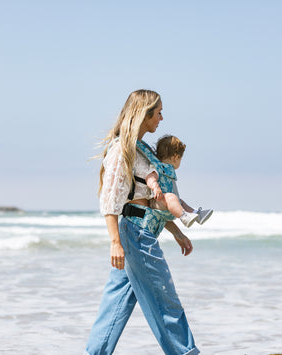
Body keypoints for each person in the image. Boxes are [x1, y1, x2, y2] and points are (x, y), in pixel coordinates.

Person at [85, 90, 200, 355]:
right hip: (134, 234)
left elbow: (151, 202)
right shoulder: (122, 149)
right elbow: (110, 198)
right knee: (165, 301)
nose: (161, 117)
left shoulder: (142, 148)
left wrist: (175, 232)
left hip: (138, 231)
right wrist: (115, 242)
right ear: (145, 114)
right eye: (158, 112)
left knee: (115, 305)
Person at [143, 134, 213, 228]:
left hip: (167, 203)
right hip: (158, 202)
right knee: (172, 197)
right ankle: (184, 216)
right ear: (175, 157)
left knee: (179, 200)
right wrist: (155, 187)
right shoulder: (158, 167)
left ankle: (197, 215)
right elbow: (150, 177)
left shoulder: (167, 169)